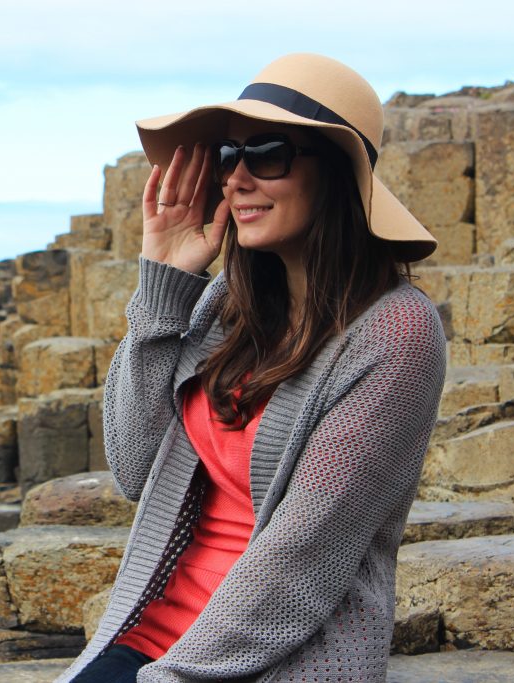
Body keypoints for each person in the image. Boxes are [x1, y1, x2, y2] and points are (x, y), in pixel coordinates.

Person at [56, 54, 446, 683]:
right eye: (226, 158)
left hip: (276, 662)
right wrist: (165, 281)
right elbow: (133, 470)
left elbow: (302, 562)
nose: (236, 179)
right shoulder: (226, 305)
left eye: (266, 154)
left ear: (338, 176)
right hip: (150, 635)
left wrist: (166, 679)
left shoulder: (396, 334)